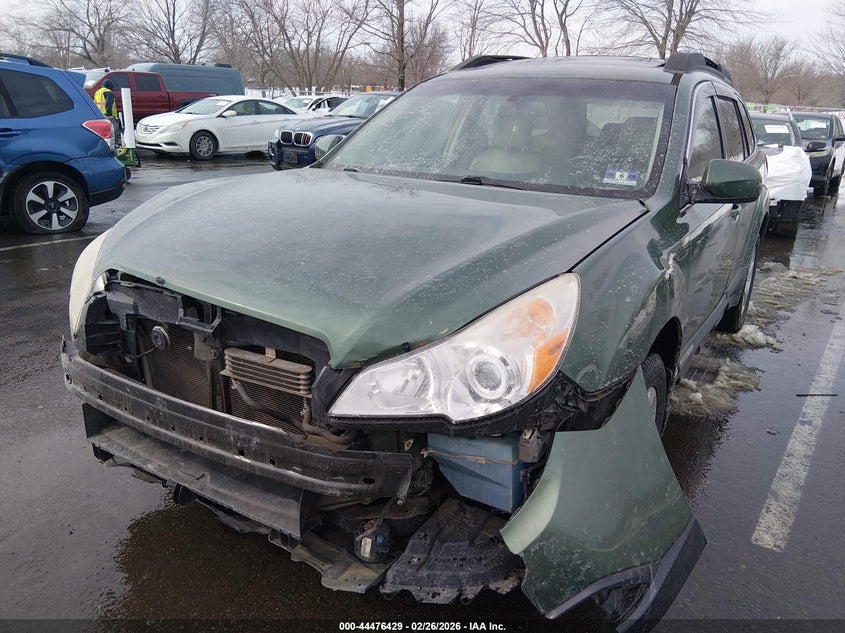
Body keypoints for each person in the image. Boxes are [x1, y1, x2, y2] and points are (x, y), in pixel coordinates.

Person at [93, 79, 121, 145]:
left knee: (102, 133)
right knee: (113, 133)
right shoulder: (109, 92)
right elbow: (109, 104)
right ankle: (112, 146)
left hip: (99, 115)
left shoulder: (97, 92)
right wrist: (109, 114)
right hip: (108, 116)